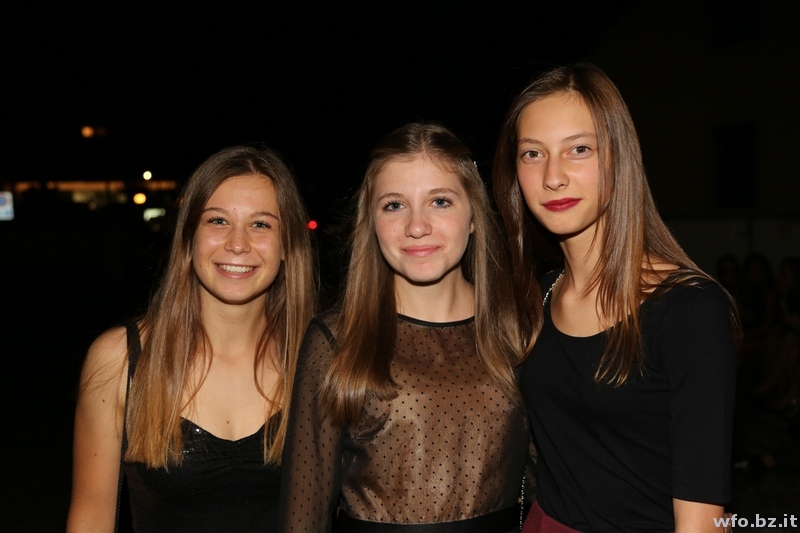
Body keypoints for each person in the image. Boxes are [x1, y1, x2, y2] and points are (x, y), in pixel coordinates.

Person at [492, 64, 739, 532]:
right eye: (532, 154)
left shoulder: (689, 309)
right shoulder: (539, 295)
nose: (553, 177)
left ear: (619, 158)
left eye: (579, 149)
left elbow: (703, 520)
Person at [278, 122, 534, 532]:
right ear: (371, 221)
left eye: (440, 201)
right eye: (394, 205)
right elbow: (303, 516)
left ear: (473, 215)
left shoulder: (519, 330)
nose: (417, 226)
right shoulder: (337, 339)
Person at [67, 145, 316, 532]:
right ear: (188, 237)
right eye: (218, 220)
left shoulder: (318, 360)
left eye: (261, 224)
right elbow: (91, 519)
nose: (237, 243)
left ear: (288, 245)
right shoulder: (121, 359)